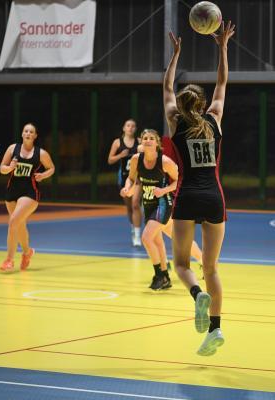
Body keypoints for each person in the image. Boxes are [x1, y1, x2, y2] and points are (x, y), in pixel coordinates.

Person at [163, 21, 235, 355]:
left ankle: (197, 296)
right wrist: (222, 47)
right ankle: (216, 330)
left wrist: (175, 56)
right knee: (212, 268)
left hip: (187, 196)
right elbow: (222, 82)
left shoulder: (176, 123)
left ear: (181, 104)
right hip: (214, 198)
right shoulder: (215, 119)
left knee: (181, 265)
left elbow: (165, 89)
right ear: (204, 104)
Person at [0, 123, 55, 272]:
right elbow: (2, 169)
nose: (28, 133)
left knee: (13, 221)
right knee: (19, 224)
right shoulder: (12, 149)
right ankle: (27, 252)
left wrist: (43, 175)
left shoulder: (40, 153)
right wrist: (10, 167)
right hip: (12, 191)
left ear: (35, 136)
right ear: (22, 134)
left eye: (31, 132)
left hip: (30, 193)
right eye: (26, 131)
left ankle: (9, 260)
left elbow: (52, 168)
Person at [108, 119, 142, 246]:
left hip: (137, 177)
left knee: (135, 204)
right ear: (124, 128)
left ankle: (138, 236)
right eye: (128, 125)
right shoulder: (117, 142)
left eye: (133, 126)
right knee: (129, 207)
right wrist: (121, 155)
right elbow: (110, 160)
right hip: (123, 177)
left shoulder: (139, 142)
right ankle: (133, 227)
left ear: (135, 128)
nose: (130, 128)